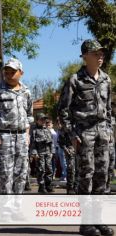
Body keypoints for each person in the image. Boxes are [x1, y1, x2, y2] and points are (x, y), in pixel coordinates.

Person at [58, 39, 114, 236]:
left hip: (103, 134)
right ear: (85, 55)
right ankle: (86, 223)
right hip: (84, 134)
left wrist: (109, 131)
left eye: (101, 53)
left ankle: (99, 221)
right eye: (96, 53)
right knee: (86, 177)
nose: (101, 56)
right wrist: (72, 134)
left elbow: (108, 111)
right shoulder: (75, 79)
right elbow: (63, 111)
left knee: (103, 178)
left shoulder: (106, 79)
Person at [0, 58, 33, 195]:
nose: (9, 75)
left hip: (21, 137)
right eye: (6, 72)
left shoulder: (26, 91)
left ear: (21, 72)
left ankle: (17, 208)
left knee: (21, 174)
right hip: (4, 137)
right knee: (5, 175)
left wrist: (27, 134)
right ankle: (6, 211)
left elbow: (29, 115)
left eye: (12, 72)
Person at [30, 113, 54, 193]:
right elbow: (32, 143)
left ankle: (48, 185)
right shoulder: (34, 130)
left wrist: (52, 152)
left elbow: (51, 142)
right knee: (41, 170)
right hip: (40, 153)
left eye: (44, 119)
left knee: (49, 170)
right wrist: (34, 153)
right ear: (37, 120)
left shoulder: (47, 129)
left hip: (48, 153)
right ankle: (41, 186)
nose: (44, 121)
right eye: (42, 119)